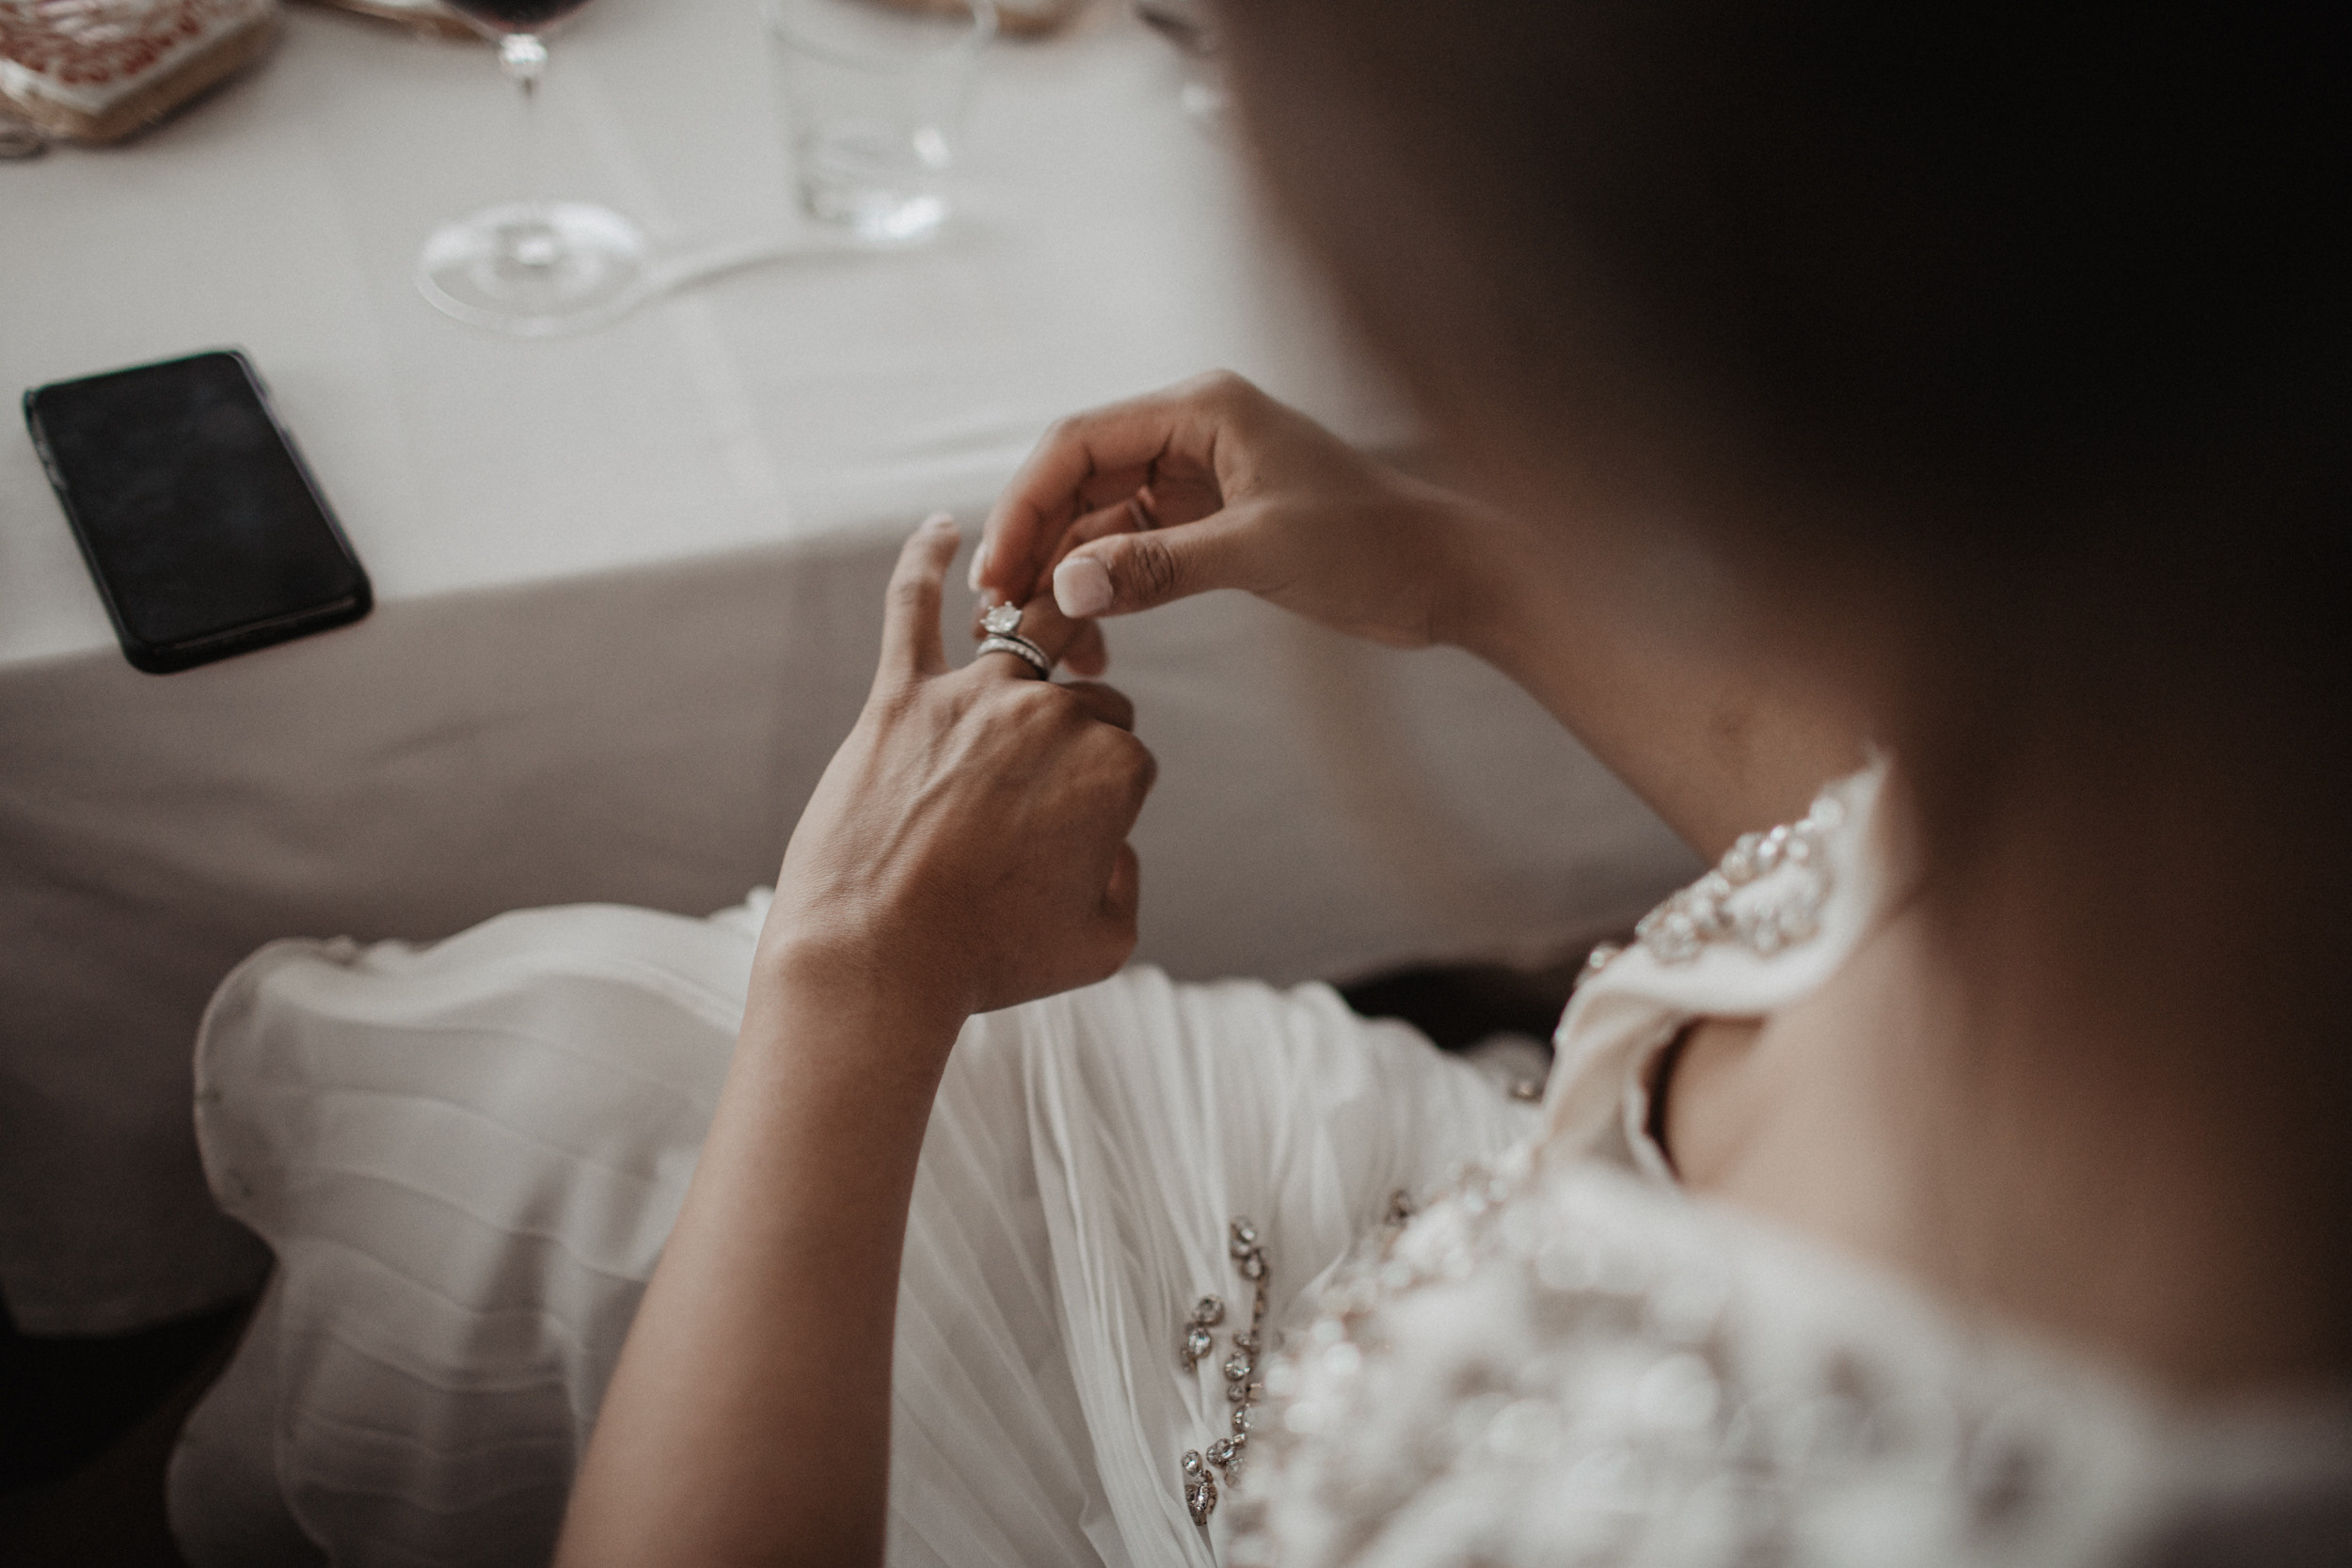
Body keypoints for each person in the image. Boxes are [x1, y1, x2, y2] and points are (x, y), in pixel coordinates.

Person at [168, 4, 2348, 1566]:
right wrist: (1450, 574)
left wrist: (855, 985)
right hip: (1434, 1238)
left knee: (664, 1102)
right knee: (588, 1072)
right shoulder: (2192, 695)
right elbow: (1881, 846)